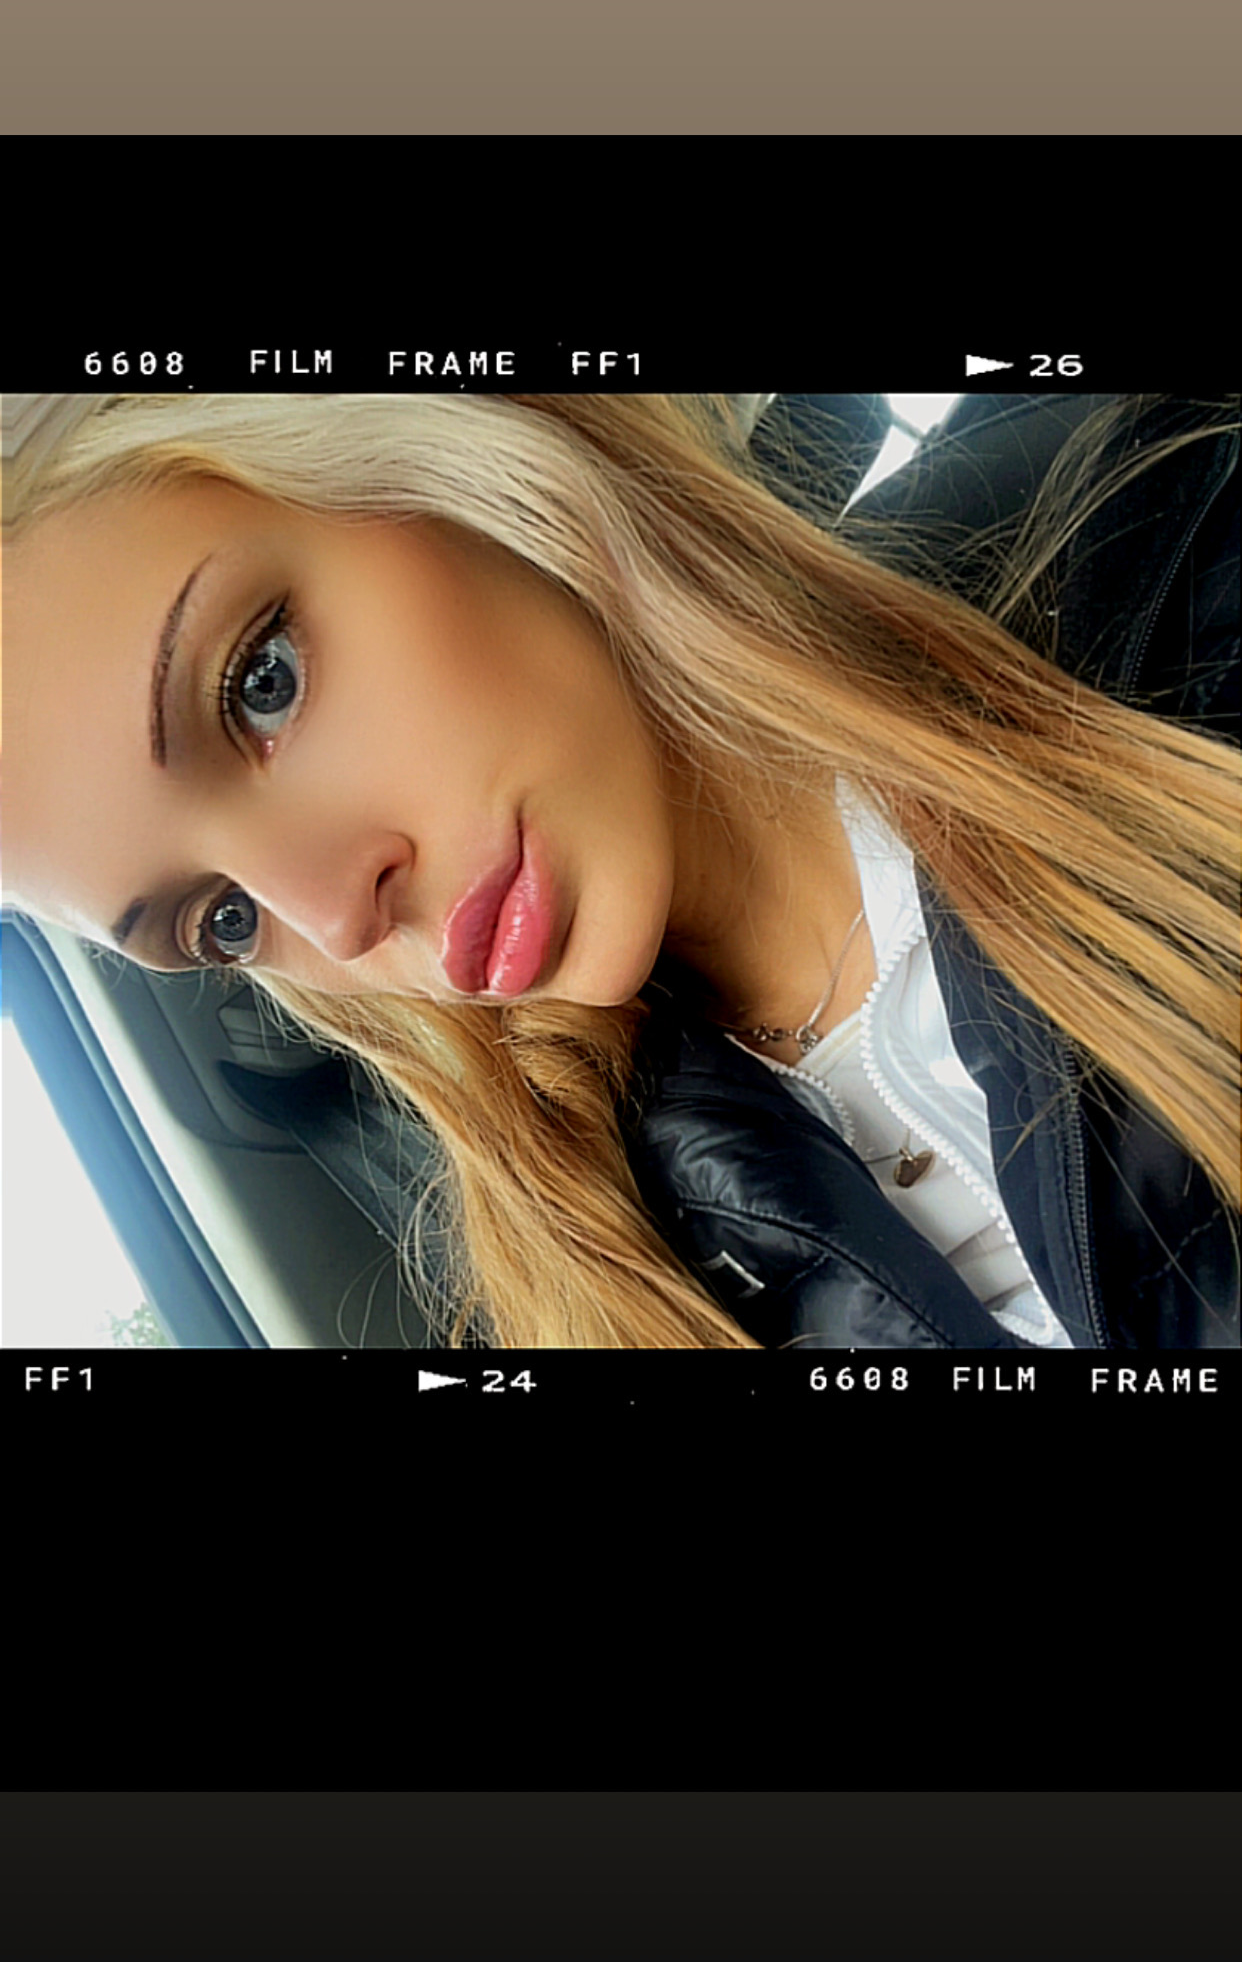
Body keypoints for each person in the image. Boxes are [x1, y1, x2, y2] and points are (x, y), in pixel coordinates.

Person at [2, 391, 1238, 1351]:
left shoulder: (1189, 586)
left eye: (261, 686)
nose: (333, 918)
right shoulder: (595, 1271)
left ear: (442, 454)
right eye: (223, 921)